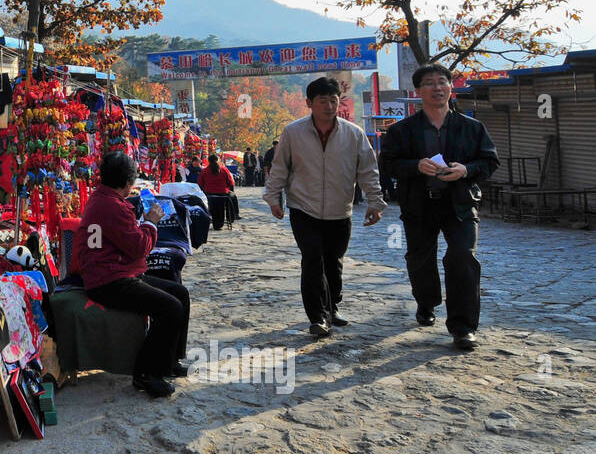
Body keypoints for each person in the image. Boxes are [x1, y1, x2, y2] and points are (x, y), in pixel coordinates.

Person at [380, 63, 500, 350]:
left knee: (462, 258)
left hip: (459, 205)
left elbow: (490, 162)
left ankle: (463, 327)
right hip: (419, 206)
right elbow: (387, 164)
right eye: (430, 83)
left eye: (442, 82)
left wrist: (466, 170)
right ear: (418, 91)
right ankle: (427, 301)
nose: (437, 87)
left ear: (450, 87)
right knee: (420, 259)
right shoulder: (402, 130)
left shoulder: (472, 128)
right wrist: (414, 166)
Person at [263, 77, 386, 337]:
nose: (329, 106)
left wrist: (375, 201)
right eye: (323, 101)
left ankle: (333, 306)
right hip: (303, 208)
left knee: (333, 262)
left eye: (334, 100)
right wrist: (273, 198)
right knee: (312, 259)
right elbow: (280, 168)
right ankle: (317, 316)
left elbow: (367, 170)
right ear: (309, 103)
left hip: (340, 210)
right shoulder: (293, 132)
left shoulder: (354, 134)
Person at [72, 151, 191, 398]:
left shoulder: (101, 199)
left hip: (114, 272)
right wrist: (151, 222)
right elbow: (139, 248)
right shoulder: (112, 206)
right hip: (110, 280)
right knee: (170, 308)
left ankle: (169, 360)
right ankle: (148, 373)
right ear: (127, 183)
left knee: (180, 293)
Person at [198, 154, 236, 230]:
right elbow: (231, 183)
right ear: (218, 161)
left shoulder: (204, 171)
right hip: (223, 195)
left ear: (208, 162)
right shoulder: (224, 170)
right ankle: (232, 216)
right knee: (233, 196)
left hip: (208, 195)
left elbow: (200, 184)